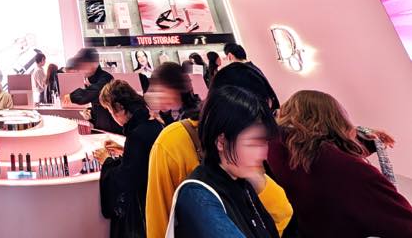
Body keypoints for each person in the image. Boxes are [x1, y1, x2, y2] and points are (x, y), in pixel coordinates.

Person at [145, 62, 292, 238]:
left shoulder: (240, 167)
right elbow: (159, 219)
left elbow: (282, 214)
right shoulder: (174, 143)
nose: (263, 152)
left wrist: (255, 177)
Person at [267, 90, 412, 238]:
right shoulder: (354, 172)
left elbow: (315, 144)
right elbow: (405, 225)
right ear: (339, 122)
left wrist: (367, 139)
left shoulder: (272, 145)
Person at [168, 86, 279, 238]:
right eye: (252, 144)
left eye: (264, 143)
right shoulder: (197, 195)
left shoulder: (241, 182)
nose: (263, 155)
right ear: (221, 142)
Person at [95, 80, 164, 238]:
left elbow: (127, 178)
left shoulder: (136, 135)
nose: (111, 116)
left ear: (119, 107)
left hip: (145, 209)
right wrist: (125, 149)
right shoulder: (152, 122)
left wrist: (107, 161)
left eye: (110, 111)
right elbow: (146, 155)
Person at [61, 48, 121, 133]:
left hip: (113, 129)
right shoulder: (89, 80)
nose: (81, 68)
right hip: (101, 128)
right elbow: (98, 104)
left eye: (84, 64)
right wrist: (91, 113)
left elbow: (94, 92)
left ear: (94, 63)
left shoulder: (106, 78)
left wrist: (72, 96)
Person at [222, 43, 279, 111]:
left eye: (226, 58)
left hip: (261, 111)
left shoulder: (241, 72)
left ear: (230, 56)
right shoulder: (252, 67)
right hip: (269, 108)